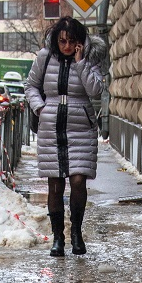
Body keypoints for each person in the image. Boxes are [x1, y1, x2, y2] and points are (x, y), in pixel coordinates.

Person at [25, 16, 106, 256]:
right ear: (56, 40)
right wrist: (40, 108)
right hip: (51, 127)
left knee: (78, 180)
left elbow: (95, 90)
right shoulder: (45, 57)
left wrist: (80, 63)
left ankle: (77, 233)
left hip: (80, 126)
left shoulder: (89, 59)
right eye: (62, 41)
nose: (67, 47)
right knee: (55, 183)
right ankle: (57, 237)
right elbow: (30, 86)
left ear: (80, 42)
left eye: (72, 42)